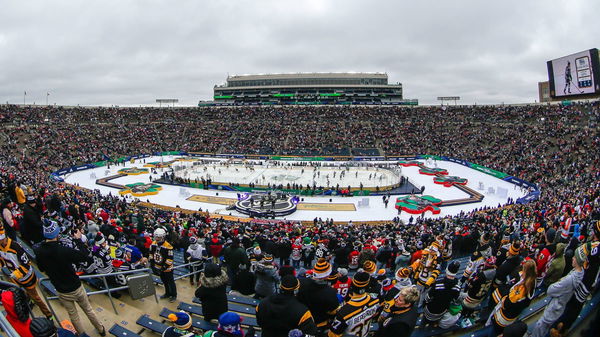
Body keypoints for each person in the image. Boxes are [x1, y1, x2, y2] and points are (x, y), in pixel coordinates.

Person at [34, 221, 105, 336]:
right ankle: (100, 329)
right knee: (88, 310)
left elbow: (41, 269)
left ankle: (82, 334)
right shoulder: (63, 250)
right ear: (56, 234)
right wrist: (78, 240)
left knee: (73, 315)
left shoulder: (40, 252)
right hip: (75, 287)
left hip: (61, 289)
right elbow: (85, 257)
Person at [530, 244, 585, 337]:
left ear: (578, 261)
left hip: (555, 305)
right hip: (560, 304)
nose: (572, 258)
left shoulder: (570, 279)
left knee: (541, 325)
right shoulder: (578, 273)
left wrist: (554, 285)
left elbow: (551, 290)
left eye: (575, 257)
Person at [0, 227, 53, 318]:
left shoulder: (15, 246)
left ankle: (48, 315)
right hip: (15, 277)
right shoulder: (1, 247)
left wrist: (17, 273)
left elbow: (26, 264)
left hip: (26, 277)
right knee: (20, 294)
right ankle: (29, 300)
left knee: (36, 298)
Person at [486, 259, 536, 336]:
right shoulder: (533, 281)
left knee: (494, 330)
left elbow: (507, 303)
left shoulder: (522, 289)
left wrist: (504, 298)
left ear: (526, 271)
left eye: (523, 269)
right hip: (513, 313)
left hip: (504, 316)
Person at [328, 271, 380, 337]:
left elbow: (332, 334)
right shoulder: (375, 302)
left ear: (352, 285)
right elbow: (376, 314)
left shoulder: (343, 312)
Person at [297, 258, 340, 334]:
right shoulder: (330, 292)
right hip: (319, 324)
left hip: (301, 321)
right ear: (327, 275)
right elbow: (333, 312)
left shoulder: (301, 283)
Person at [423, 261, 461, 325]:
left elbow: (427, 298)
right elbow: (454, 299)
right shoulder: (457, 288)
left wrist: (425, 304)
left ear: (447, 270)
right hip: (441, 312)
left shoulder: (437, 284)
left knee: (424, 321)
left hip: (430, 311)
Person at [150, 227, 177, 302]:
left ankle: (174, 295)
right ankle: (167, 293)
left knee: (171, 282)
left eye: (158, 237)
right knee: (164, 282)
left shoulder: (168, 246)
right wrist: (152, 265)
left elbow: (169, 259)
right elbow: (151, 255)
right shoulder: (153, 244)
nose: (157, 239)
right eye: (156, 237)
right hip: (158, 267)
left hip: (167, 269)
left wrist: (163, 267)